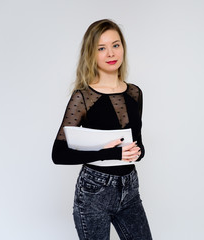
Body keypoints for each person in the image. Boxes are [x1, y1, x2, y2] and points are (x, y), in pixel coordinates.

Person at [52, 19, 152, 240]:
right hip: (94, 191)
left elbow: (139, 142)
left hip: (130, 188)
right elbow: (58, 154)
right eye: (101, 48)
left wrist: (138, 152)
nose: (110, 53)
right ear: (91, 54)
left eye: (115, 45)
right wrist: (110, 153)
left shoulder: (135, 93)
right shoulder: (83, 97)